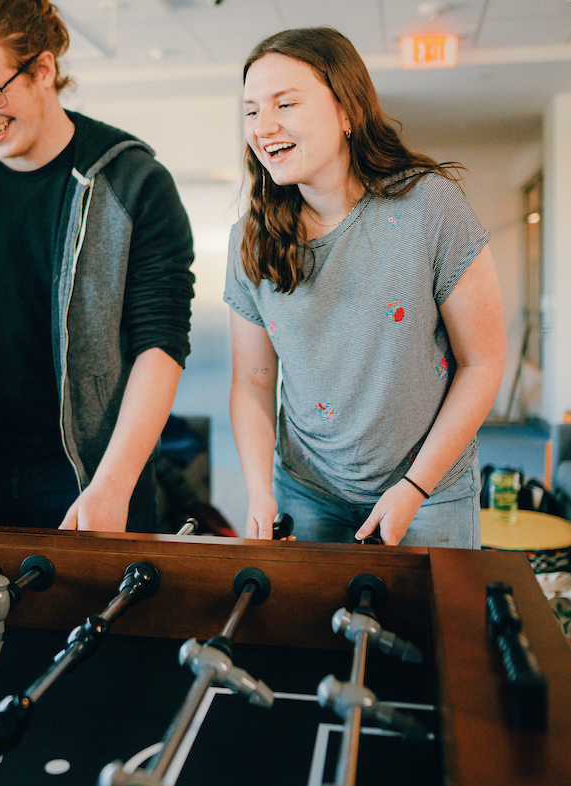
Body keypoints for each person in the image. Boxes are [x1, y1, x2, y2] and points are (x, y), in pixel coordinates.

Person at [0, 0, 195, 533]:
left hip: (93, 474)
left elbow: (160, 344)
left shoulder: (136, 182)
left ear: (44, 70)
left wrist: (114, 484)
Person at [226, 27, 506, 547]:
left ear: (347, 110)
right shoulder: (251, 236)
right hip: (306, 489)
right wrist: (258, 489)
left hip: (430, 488)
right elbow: (254, 381)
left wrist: (415, 487)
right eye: (251, 110)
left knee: (431, 628)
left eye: (285, 104)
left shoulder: (430, 206)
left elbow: (482, 363)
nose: (264, 126)